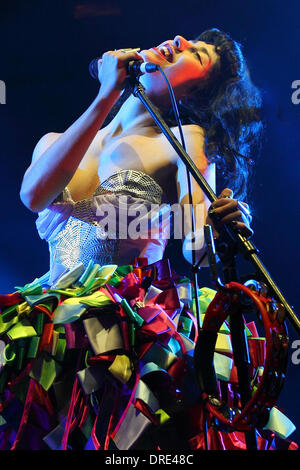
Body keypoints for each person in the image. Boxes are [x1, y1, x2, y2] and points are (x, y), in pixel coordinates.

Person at [0, 29, 297, 450]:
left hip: (124, 334)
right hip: (52, 332)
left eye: (197, 51)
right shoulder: (55, 142)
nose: (179, 39)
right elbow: (33, 195)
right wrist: (107, 93)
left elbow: (198, 248)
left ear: (195, 93)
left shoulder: (183, 141)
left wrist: (225, 222)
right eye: (188, 38)